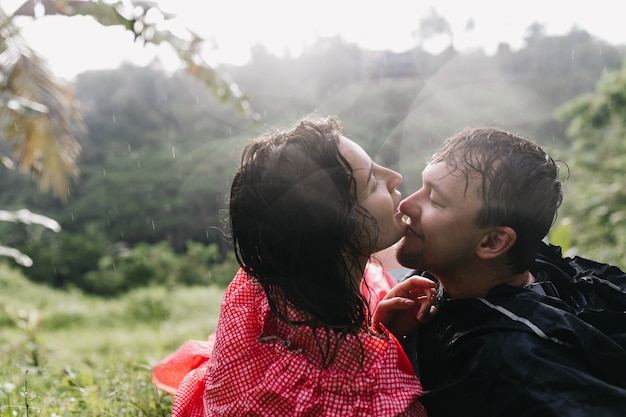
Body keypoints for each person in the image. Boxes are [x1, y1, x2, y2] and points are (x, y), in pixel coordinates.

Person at [157, 115, 437, 416]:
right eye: (372, 183)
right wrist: (377, 344)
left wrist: (373, 328)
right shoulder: (343, 389)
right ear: (336, 228)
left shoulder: (261, 285)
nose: (394, 176)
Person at [383, 127, 626, 416]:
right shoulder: (536, 266)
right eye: (423, 186)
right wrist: (386, 341)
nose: (406, 204)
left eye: (435, 200)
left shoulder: (514, 364)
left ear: (493, 242)